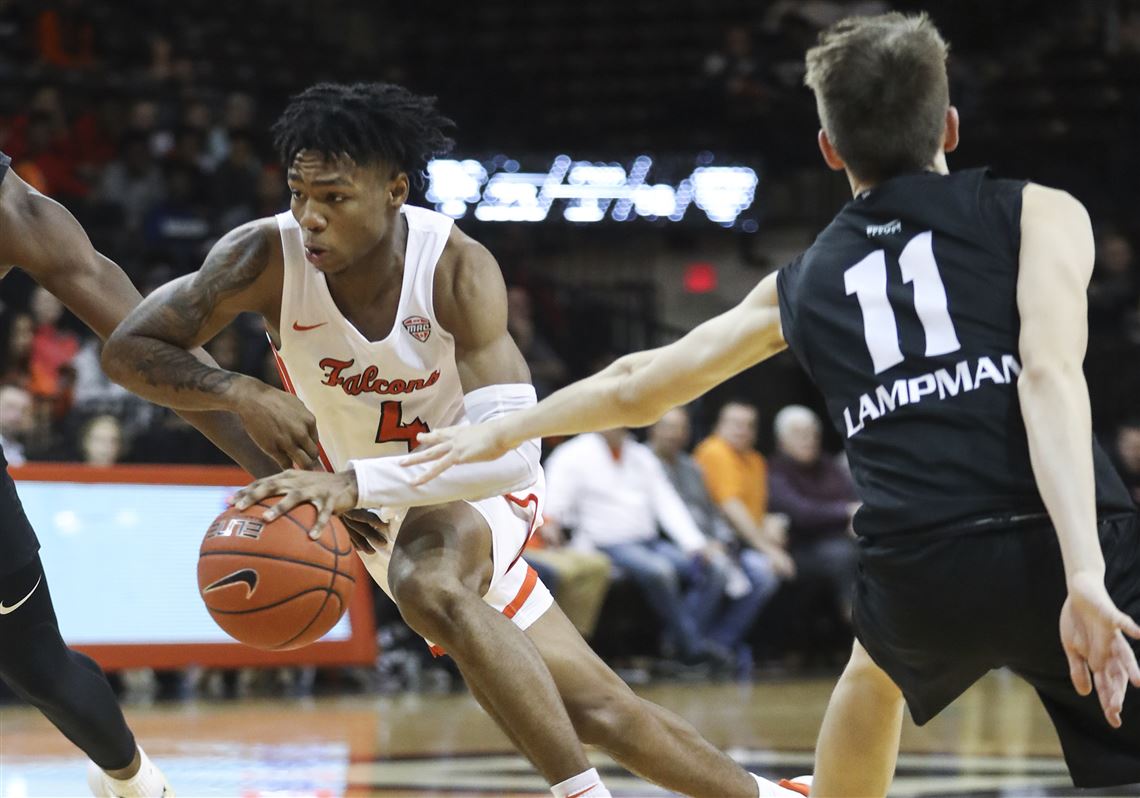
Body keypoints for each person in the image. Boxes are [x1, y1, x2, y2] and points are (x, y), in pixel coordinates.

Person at [402, 13, 1140, 794]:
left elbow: (639, 384)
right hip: (1060, 542)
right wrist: (1084, 574)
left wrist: (508, 427)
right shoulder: (1039, 211)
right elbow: (1049, 378)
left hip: (918, 564)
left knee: (872, 676)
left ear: (828, 149)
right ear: (949, 127)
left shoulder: (805, 279)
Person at [102, 82, 806, 798]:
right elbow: (129, 350)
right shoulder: (263, 256)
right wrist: (239, 390)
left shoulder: (456, 269)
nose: (310, 218)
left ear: (394, 190)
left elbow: (512, 454)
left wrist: (355, 483)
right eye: (298, 193)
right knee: (595, 708)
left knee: (429, 580)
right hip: (369, 511)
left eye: (334, 198)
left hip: (478, 485)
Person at [0, 149, 280, 797]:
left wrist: (265, 460)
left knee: (38, 665)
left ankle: (133, 781)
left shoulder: (14, 212)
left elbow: (144, 340)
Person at [543, 427, 728, 667]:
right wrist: (551, 522)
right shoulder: (572, 453)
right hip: (605, 543)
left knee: (713, 569)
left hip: (648, 541)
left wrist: (694, 544)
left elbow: (667, 502)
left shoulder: (641, 455)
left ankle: (677, 644)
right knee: (660, 571)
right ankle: (692, 649)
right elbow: (555, 501)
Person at [649, 407, 779, 669]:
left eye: (681, 428)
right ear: (653, 428)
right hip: (665, 542)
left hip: (709, 542)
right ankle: (681, 646)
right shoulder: (643, 461)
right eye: (668, 427)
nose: (675, 434)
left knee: (763, 574)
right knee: (715, 567)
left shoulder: (691, 466)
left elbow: (712, 511)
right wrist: (699, 545)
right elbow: (656, 518)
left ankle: (716, 645)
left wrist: (723, 539)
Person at [767, 405, 858, 620]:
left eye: (812, 433)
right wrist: (845, 513)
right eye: (799, 434)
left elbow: (852, 499)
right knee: (842, 555)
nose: (808, 439)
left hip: (841, 538)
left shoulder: (828, 465)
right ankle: (856, 624)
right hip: (801, 547)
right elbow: (801, 513)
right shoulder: (775, 470)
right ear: (781, 441)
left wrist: (853, 516)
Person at [692, 401, 796, 579]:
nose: (742, 430)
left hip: (744, 537)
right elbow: (731, 508)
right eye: (735, 424)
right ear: (718, 426)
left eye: (749, 425)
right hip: (714, 537)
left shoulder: (756, 459)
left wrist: (768, 522)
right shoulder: (714, 450)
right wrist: (768, 549)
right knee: (765, 572)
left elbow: (755, 507)